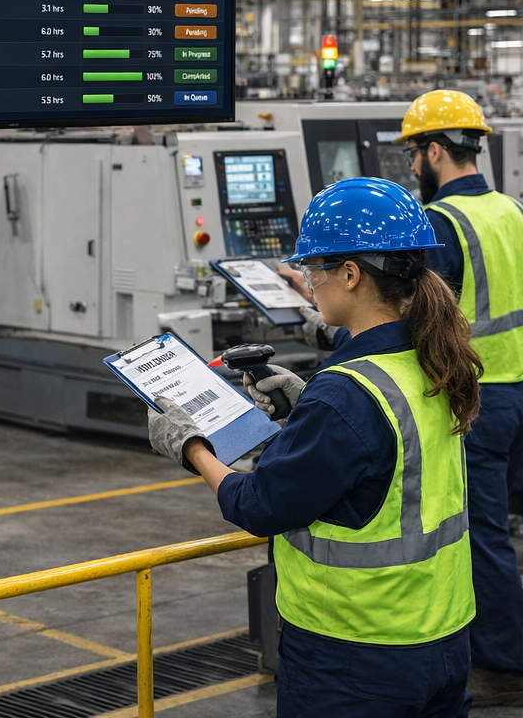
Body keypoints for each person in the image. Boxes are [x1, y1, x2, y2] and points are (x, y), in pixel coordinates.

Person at [149, 177, 480, 718]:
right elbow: (389, 462)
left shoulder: (346, 396)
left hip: (353, 655)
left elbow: (259, 505)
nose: (310, 281)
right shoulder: (433, 360)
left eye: (314, 269)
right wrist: (308, 405)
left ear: (350, 275)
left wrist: (190, 446)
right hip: (441, 636)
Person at [397, 90, 523, 706]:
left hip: (484, 399)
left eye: (414, 154)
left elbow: (424, 315)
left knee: (483, 532)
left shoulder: (443, 223)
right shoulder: (511, 209)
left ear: (437, 151)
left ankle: (503, 657)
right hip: (521, 385)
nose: (412, 167)